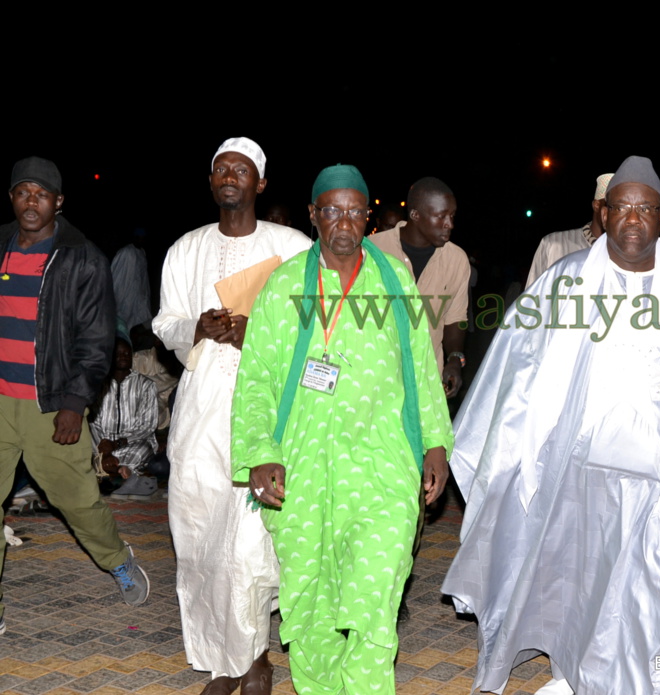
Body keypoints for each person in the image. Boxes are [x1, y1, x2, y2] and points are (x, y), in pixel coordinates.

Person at [443, 156, 660, 695]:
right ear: (604, 213)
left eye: (644, 208)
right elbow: (517, 366)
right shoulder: (565, 279)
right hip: (575, 462)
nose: (633, 218)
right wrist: (505, 447)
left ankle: (623, 676)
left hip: (657, 468)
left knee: (646, 582)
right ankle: (573, 670)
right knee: (574, 571)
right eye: (621, 206)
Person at [230, 164, 453, 694]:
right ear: (314, 215)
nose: (344, 222)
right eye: (332, 210)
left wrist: (436, 443)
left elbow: (421, 366)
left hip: (384, 468)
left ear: (367, 216)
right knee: (310, 609)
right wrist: (260, 451)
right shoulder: (285, 286)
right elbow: (256, 378)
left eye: (355, 211)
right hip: (302, 473)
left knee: (375, 602)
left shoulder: (393, 280)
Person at [153, 137, 311, 694]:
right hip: (201, 409)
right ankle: (220, 660)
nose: (228, 176)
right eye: (220, 168)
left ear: (259, 183)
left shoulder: (291, 247)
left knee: (249, 543)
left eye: (240, 170)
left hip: (265, 408)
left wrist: (258, 334)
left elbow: (318, 322)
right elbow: (164, 322)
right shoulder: (186, 249)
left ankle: (252, 657)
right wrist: (195, 328)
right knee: (197, 533)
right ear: (210, 181)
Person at [0, 156, 149, 636]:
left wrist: (74, 403)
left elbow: (97, 341)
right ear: (12, 197)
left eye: (41, 194)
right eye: (23, 192)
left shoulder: (82, 258)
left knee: (78, 501)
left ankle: (118, 559)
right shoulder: (0, 246)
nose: (31, 202)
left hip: (51, 405)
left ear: (58, 202)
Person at [369, 177, 468, 397]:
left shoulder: (456, 260)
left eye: (452, 216)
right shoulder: (372, 250)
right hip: (373, 380)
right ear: (415, 215)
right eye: (441, 216)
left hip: (427, 381)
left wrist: (454, 359)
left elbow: (455, 318)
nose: (449, 224)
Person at [90, 333, 159, 500]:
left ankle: (108, 469)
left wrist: (116, 444)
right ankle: (121, 470)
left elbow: (147, 426)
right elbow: (94, 422)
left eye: (127, 353)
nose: (123, 357)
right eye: (118, 354)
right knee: (82, 444)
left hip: (133, 444)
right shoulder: (99, 385)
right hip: (102, 445)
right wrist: (104, 450)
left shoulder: (146, 385)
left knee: (144, 449)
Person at [525, 173, 613, 288]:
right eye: (611, 206)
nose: (617, 213)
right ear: (597, 205)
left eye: (622, 208)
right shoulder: (555, 245)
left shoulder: (627, 254)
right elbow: (532, 295)